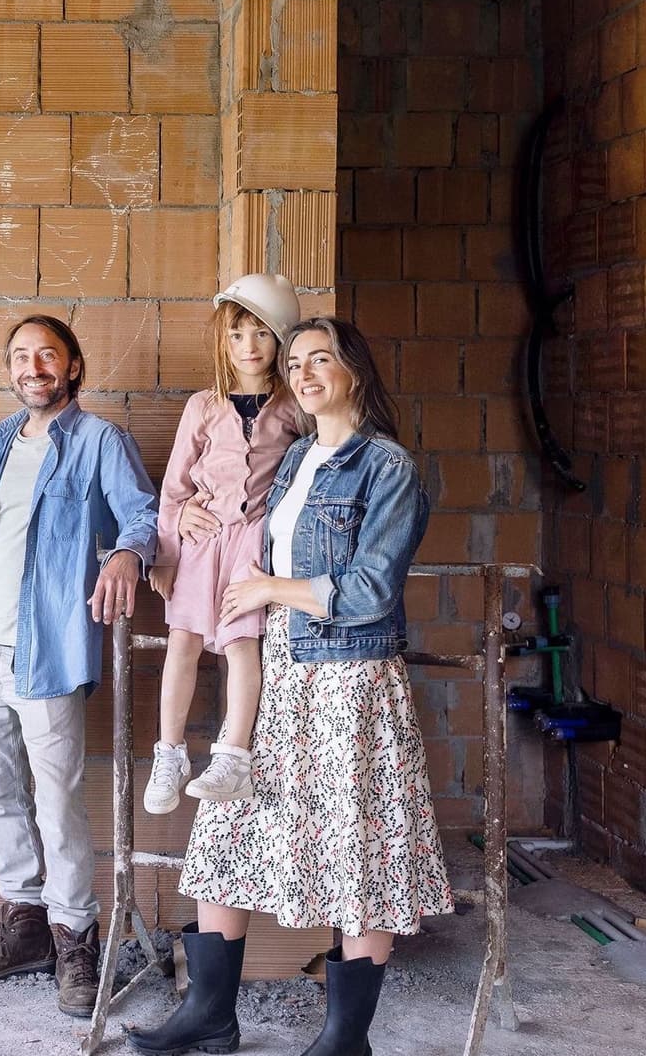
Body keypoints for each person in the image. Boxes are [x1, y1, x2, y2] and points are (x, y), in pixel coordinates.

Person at [128, 317, 452, 1056]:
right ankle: (210, 1012)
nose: (303, 374)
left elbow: (372, 587)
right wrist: (189, 514)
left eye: (320, 361)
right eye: (296, 362)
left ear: (356, 372)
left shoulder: (388, 466)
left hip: (351, 682)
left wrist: (273, 585)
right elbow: (224, 501)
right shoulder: (299, 453)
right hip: (285, 672)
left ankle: (345, 1039)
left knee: (357, 850)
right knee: (228, 832)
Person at [0, 315, 160, 1017]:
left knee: (58, 802)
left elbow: (141, 514)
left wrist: (125, 552)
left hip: (47, 648)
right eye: (21, 357)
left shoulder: (99, 441)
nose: (34, 367)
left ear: (74, 367)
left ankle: (74, 937)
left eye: (47, 355)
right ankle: (25, 925)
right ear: (11, 371)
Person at [144, 274, 304, 813]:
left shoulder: (291, 408)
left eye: (261, 334)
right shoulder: (203, 405)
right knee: (183, 643)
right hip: (202, 538)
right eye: (238, 335)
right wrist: (166, 552)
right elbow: (175, 485)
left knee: (241, 645)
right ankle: (170, 754)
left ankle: (233, 756)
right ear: (224, 340)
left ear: (279, 341)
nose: (249, 346)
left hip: (254, 543)